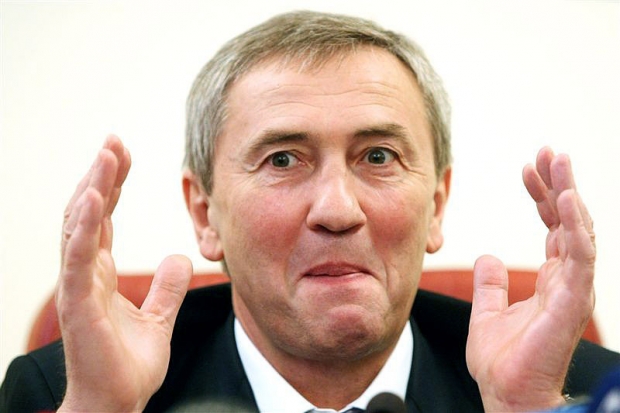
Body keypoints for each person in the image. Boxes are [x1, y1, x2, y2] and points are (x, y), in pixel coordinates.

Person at [1, 10, 619, 413]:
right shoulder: (69, 393)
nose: (337, 210)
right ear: (205, 215)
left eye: (377, 156)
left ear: (436, 205)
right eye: (282, 160)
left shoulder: (574, 391)